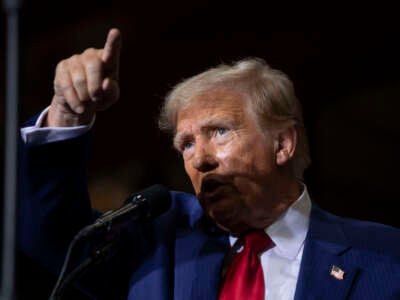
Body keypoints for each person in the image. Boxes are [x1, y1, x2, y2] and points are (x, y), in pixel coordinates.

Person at [18, 28, 400, 300]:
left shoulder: (385, 256)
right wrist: (67, 115)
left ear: (282, 144)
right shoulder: (157, 239)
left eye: (219, 132)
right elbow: (52, 235)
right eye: (185, 144)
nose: (199, 159)